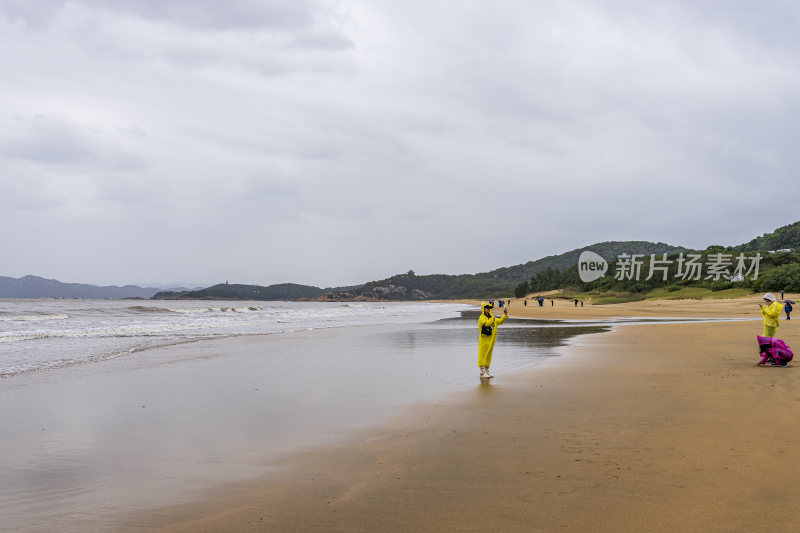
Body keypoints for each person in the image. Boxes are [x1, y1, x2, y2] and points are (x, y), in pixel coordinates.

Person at [478, 301, 507, 379]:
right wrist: (492, 319)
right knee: (483, 354)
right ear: (483, 309)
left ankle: (487, 371)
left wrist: (505, 315)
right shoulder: (481, 317)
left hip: (491, 340)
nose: (488, 309)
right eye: (487, 308)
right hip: (484, 339)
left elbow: (500, 321)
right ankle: (482, 372)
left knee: (488, 355)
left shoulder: (491, 317)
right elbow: (486, 324)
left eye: (489, 308)